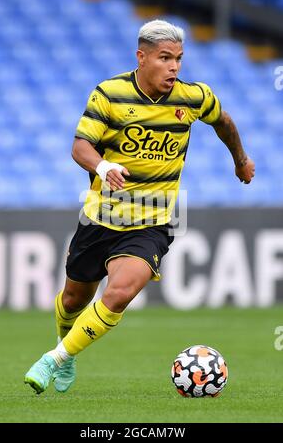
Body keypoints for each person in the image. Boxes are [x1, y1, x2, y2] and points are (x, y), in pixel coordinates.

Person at [24, 19, 255, 394]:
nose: (174, 67)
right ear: (141, 57)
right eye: (165, 58)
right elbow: (80, 146)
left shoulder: (193, 97)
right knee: (73, 299)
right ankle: (65, 346)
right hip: (101, 216)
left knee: (120, 292)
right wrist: (103, 164)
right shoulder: (110, 93)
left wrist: (240, 160)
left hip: (153, 221)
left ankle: (55, 360)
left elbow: (224, 122)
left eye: (178, 59)